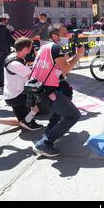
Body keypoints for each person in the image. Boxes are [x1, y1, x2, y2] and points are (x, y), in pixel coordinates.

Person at [31, 24, 85, 157]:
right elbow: (65, 69)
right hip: (48, 91)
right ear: (55, 35)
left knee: (64, 103)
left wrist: (71, 56)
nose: (67, 36)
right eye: (64, 34)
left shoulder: (45, 47)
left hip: (39, 89)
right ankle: (45, 143)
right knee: (74, 115)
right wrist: (78, 56)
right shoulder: (55, 47)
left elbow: (60, 69)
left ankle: (50, 131)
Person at [0, 37, 44, 137]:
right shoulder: (15, 64)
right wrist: (39, 58)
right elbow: (35, 76)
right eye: (30, 48)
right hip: (17, 96)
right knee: (44, 97)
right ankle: (27, 121)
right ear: (26, 49)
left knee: (21, 121)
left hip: (13, 93)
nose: (30, 51)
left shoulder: (14, 55)